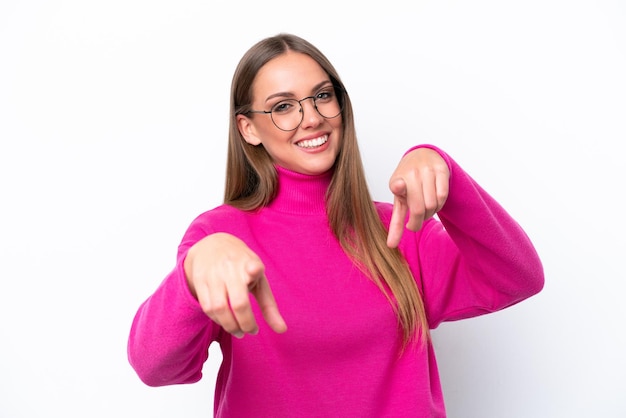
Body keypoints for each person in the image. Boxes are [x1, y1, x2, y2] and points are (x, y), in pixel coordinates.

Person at [127, 33, 544, 417]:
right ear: (248, 128)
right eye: (283, 106)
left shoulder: (397, 228)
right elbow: (156, 368)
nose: (311, 118)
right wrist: (192, 273)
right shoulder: (222, 240)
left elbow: (518, 278)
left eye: (322, 96)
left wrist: (446, 175)